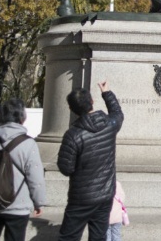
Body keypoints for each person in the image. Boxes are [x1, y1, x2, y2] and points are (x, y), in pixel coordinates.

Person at [57, 82, 124, 241]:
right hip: (105, 194)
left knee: (69, 237)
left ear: (71, 109)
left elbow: (66, 168)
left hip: (81, 196)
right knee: (98, 237)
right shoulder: (109, 125)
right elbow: (117, 113)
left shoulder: (73, 135)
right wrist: (106, 92)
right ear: (92, 101)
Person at [0, 98, 46, 241]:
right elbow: (35, 177)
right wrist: (39, 202)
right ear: (22, 118)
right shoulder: (28, 143)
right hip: (18, 204)